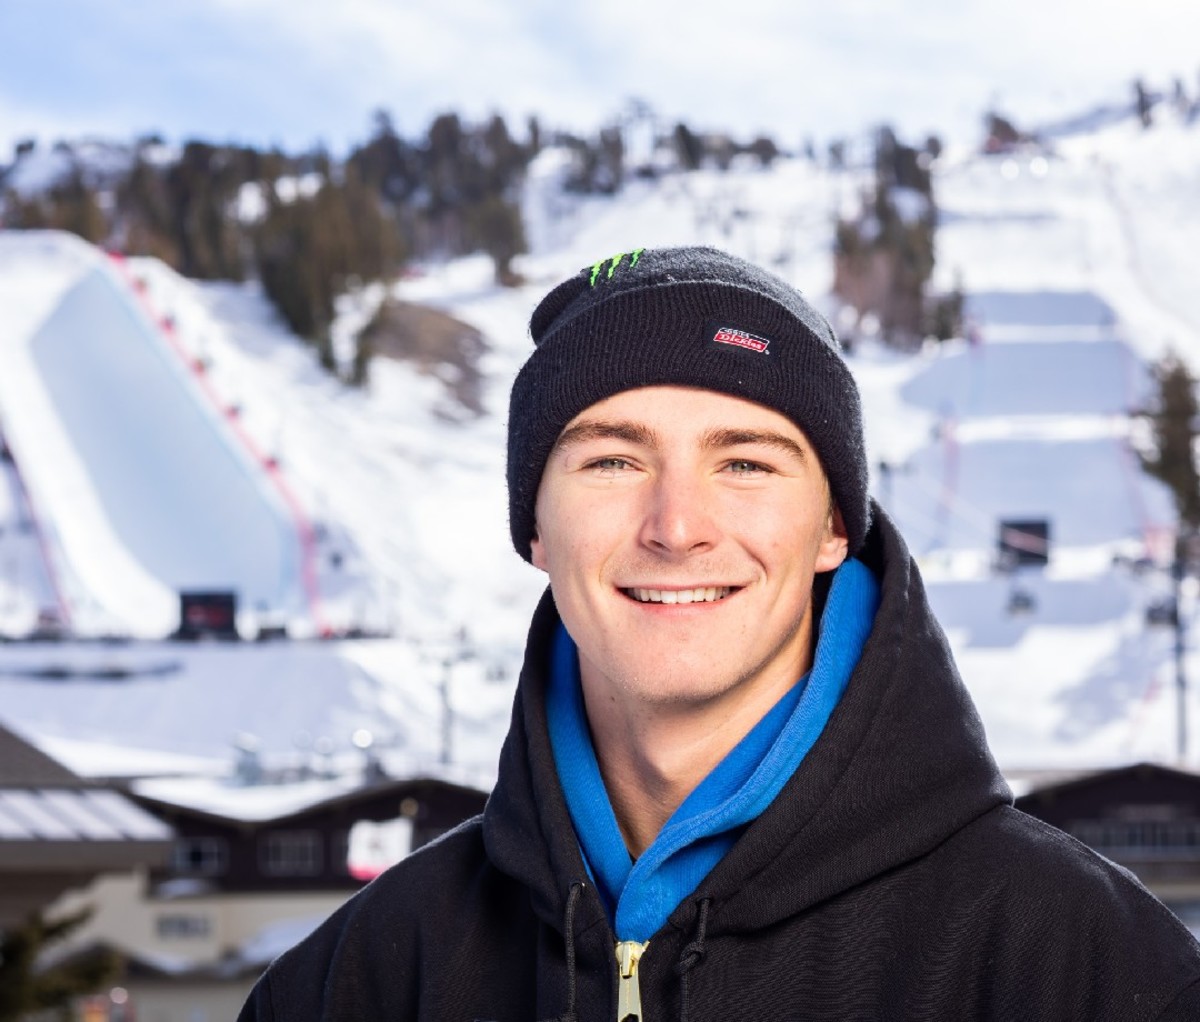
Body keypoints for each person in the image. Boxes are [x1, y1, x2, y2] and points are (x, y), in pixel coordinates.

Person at [239, 246, 1200, 1021]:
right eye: (612, 460)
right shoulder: (361, 980)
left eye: (745, 463)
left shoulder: (1086, 970)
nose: (677, 525)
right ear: (535, 527)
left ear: (834, 529)